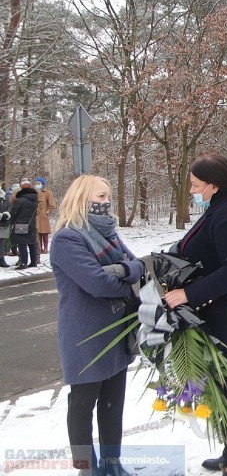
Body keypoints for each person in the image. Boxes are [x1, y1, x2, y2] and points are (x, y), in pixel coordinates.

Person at [162, 154, 227, 474]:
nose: (191, 189)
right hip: (220, 310)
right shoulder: (221, 207)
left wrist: (188, 293)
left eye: (194, 185)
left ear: (213, 185)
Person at [50, 175, 146, 475]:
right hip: (86, 334)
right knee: (82, 405)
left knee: (112, 404)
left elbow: (140, 265)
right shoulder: (68, 237)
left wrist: (120, 269)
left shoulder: (109, 234)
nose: (105, 203)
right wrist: (126, 281)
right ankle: (86, 468)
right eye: (100, 197)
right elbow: (96, 283)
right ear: (81, 198)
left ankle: (111, 464)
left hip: (116, 330)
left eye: (107, 197)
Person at [9, 177, 39, 269]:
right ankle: (33, 262)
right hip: (31, 223)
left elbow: (14, 212)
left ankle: (24, 262)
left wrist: (11, 221)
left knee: (22, 244)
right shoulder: (35, 199)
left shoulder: (20, 200)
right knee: (31, 243)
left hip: (20, 224)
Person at [35, 177, 57, 256]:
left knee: (44, 232)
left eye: (39, 183)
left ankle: (45, 247)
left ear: (43, 184)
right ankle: (39, 247)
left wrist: (48, 210)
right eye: (36, 183)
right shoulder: (34, 192)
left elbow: (52, 204)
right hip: (36, 215)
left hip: (44, 215)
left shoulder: (48, 193)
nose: (37, 185)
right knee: (38, 232)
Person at [0, 186, 11, 266]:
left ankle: (1, 259)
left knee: (2, 242)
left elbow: (10, 206)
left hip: (4, 223)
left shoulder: (6, 197)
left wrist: (6, 214)